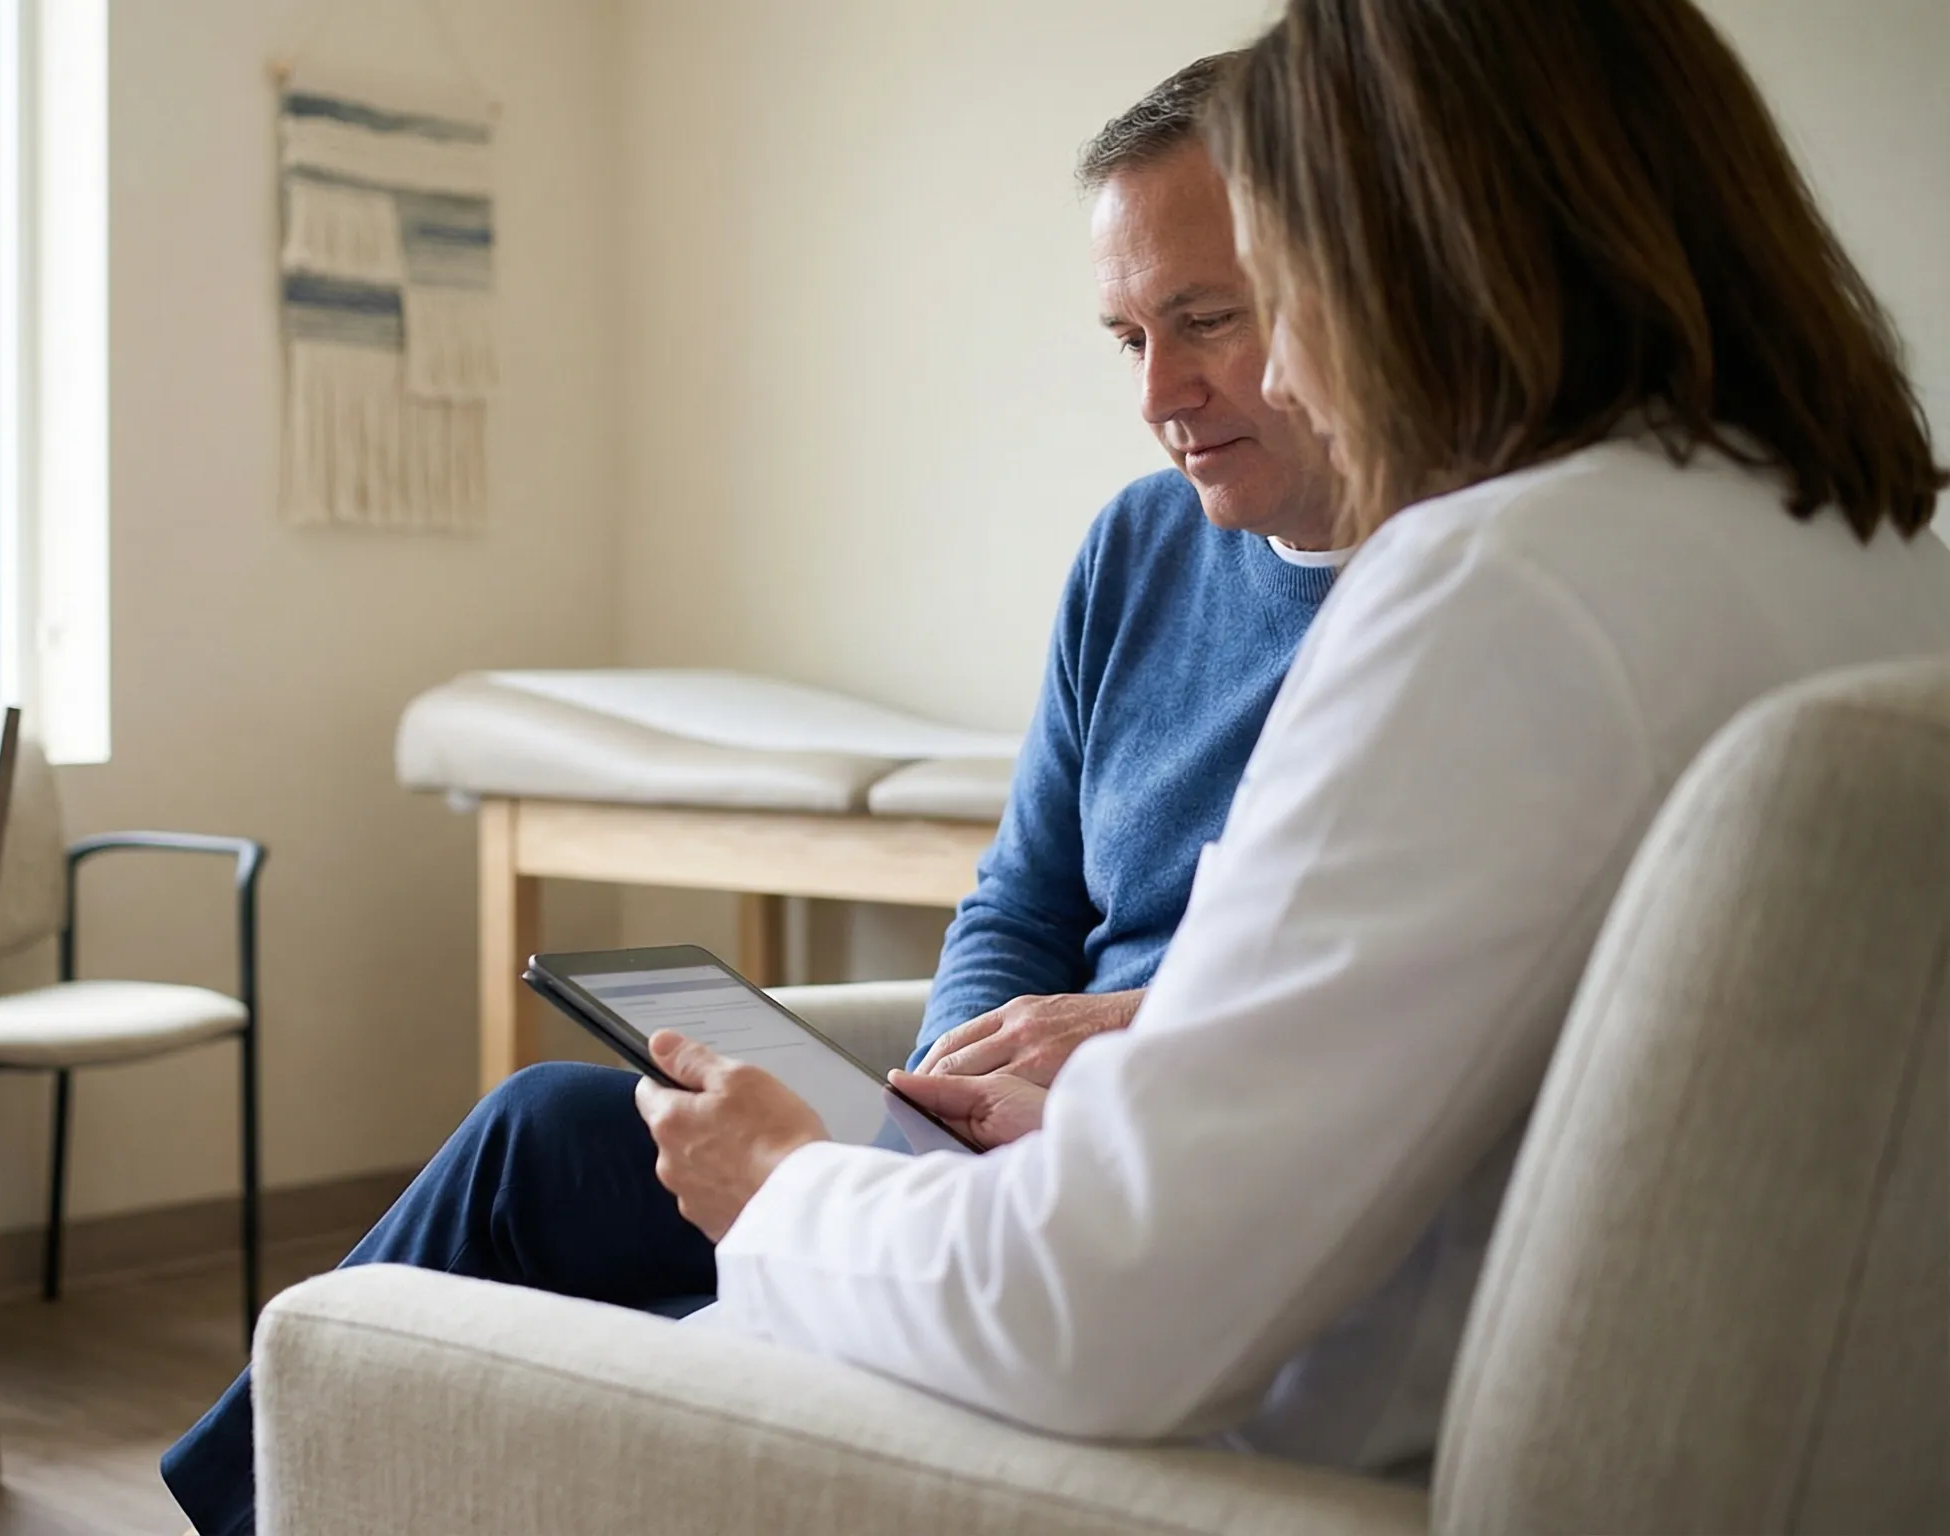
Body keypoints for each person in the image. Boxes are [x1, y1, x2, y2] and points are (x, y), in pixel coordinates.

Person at [630, 0, 1949, 1478]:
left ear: (1429, 251)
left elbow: (1095, 1312)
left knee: (372, 1336)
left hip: (1247, 1465)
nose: (1285, 371)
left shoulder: (1505, 590)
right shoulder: (1881, 564)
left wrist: (788, 1188)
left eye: (1276, 281)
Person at [163, 56, 1343, 1534]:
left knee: (627, 1263)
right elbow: (1022, 897)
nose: (1163, 395)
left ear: (1334, 279)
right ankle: (233, 1511)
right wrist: (933, 1103)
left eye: (1205, 321)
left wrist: (1105, 1055)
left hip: (1130, 1168)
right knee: (541, 1126)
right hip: (984, 1143)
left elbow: (1349, 1012)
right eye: (1126, 339)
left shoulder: (1447, 613)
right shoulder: (1140, 551)